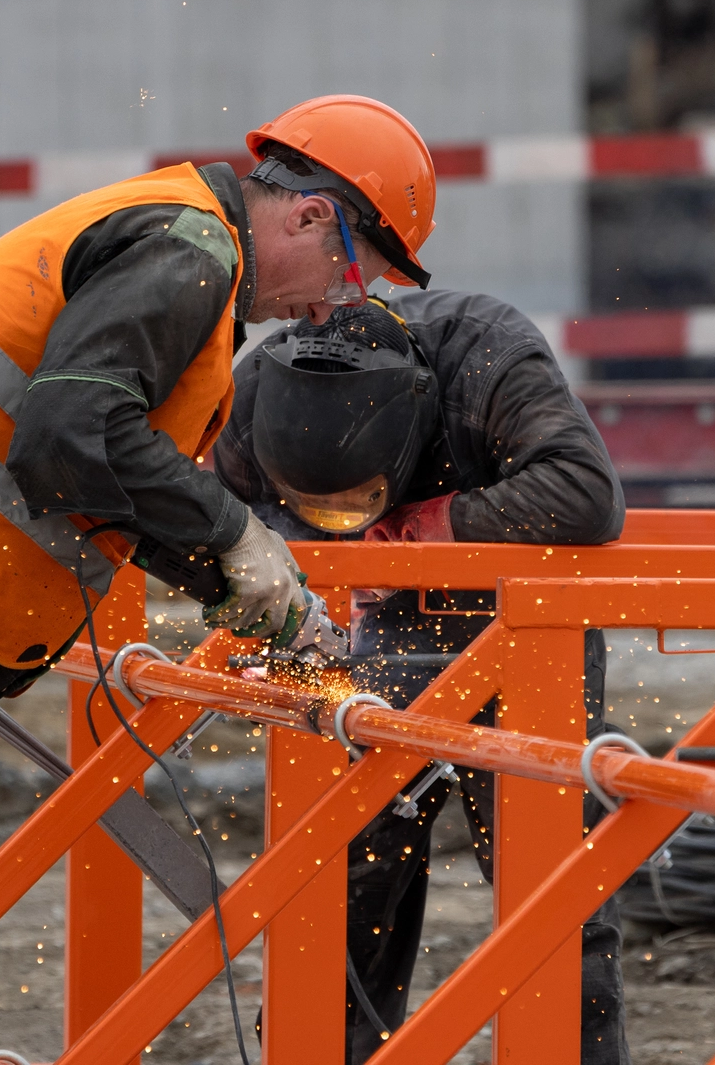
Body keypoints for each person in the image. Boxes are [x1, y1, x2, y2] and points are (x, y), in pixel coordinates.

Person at [0, 95, 438, 1064]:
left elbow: (99, 466)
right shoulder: (192, 249)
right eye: (348, 274)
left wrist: (232, 579)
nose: (330, 306)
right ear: (314, 216)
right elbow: (71, 435)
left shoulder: (176, 234)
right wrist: (235, 538)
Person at [213, 293, 631, 1065]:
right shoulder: (253, 395)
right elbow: (206, 510)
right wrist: (283, 579)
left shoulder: (486, 356)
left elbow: (586, 493)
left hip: (519, 628)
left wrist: (423, 531)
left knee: (549, 886)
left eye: (355, 501)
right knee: (344, 878)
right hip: (358, 635)